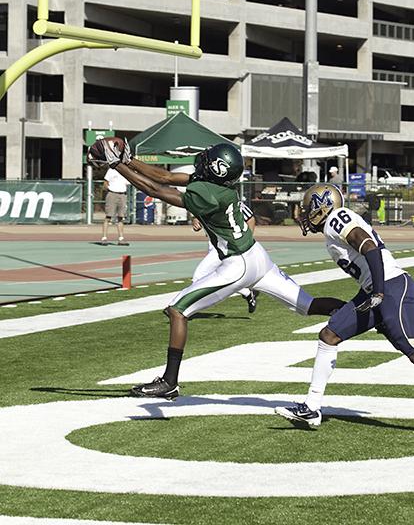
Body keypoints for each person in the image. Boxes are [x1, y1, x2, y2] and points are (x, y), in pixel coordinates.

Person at [90, 139, 345, 400]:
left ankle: (169, 382)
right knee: (307, 304)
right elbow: (165, 176)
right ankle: (360, 311)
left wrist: (117, 165)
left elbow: (156, 189)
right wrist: (127, 160)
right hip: (258, 256)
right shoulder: (217, 186)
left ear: (218, 168)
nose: (204, 158)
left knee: (177, 310)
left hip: (239, 263)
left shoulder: (207, 193)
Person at [275, 183, 414, 427]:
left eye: (309, 208)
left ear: (322, 207)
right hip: (375, 289)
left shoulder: (337, 218)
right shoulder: (332, 226)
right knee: (330, 334)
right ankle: (311, 408)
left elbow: (369, 247)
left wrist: (379, 291)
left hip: (390, 286)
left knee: (408, 347)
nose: (305, 214)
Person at [191, 200, 259, 314]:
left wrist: (246, 240)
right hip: (214, 244)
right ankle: (247, 292)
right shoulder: (207, 200)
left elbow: (250, 218)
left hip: (227, 245)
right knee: (222, 276)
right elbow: (200, 215)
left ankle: (187, 310)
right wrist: (196, 220)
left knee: (199, 276)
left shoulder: (231, 200)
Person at [100, 168, 130, 246]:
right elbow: (105, 182)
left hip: (123, 194)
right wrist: (109, 190)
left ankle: (121, 239)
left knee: (121, 217)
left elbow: (128, 182)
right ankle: (104, 238)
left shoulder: (126, 171)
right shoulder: (111, 170)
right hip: (112, 194)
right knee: (108, 217)